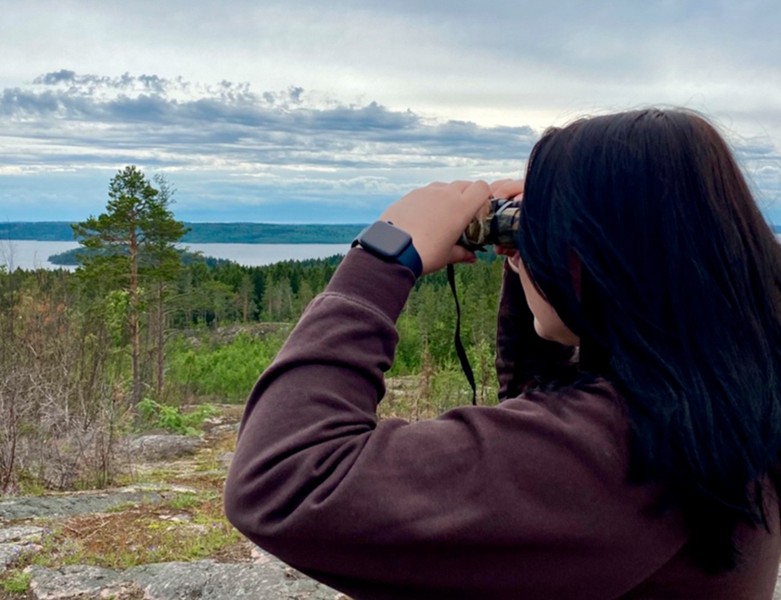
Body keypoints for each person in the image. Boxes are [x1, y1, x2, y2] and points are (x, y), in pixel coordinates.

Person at [224, 108, 781, 599]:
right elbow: (546, 421)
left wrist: (381, 256)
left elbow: (286, 482)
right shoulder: (715, 400)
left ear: (592, 261)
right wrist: (530, 265)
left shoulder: (617, 449)